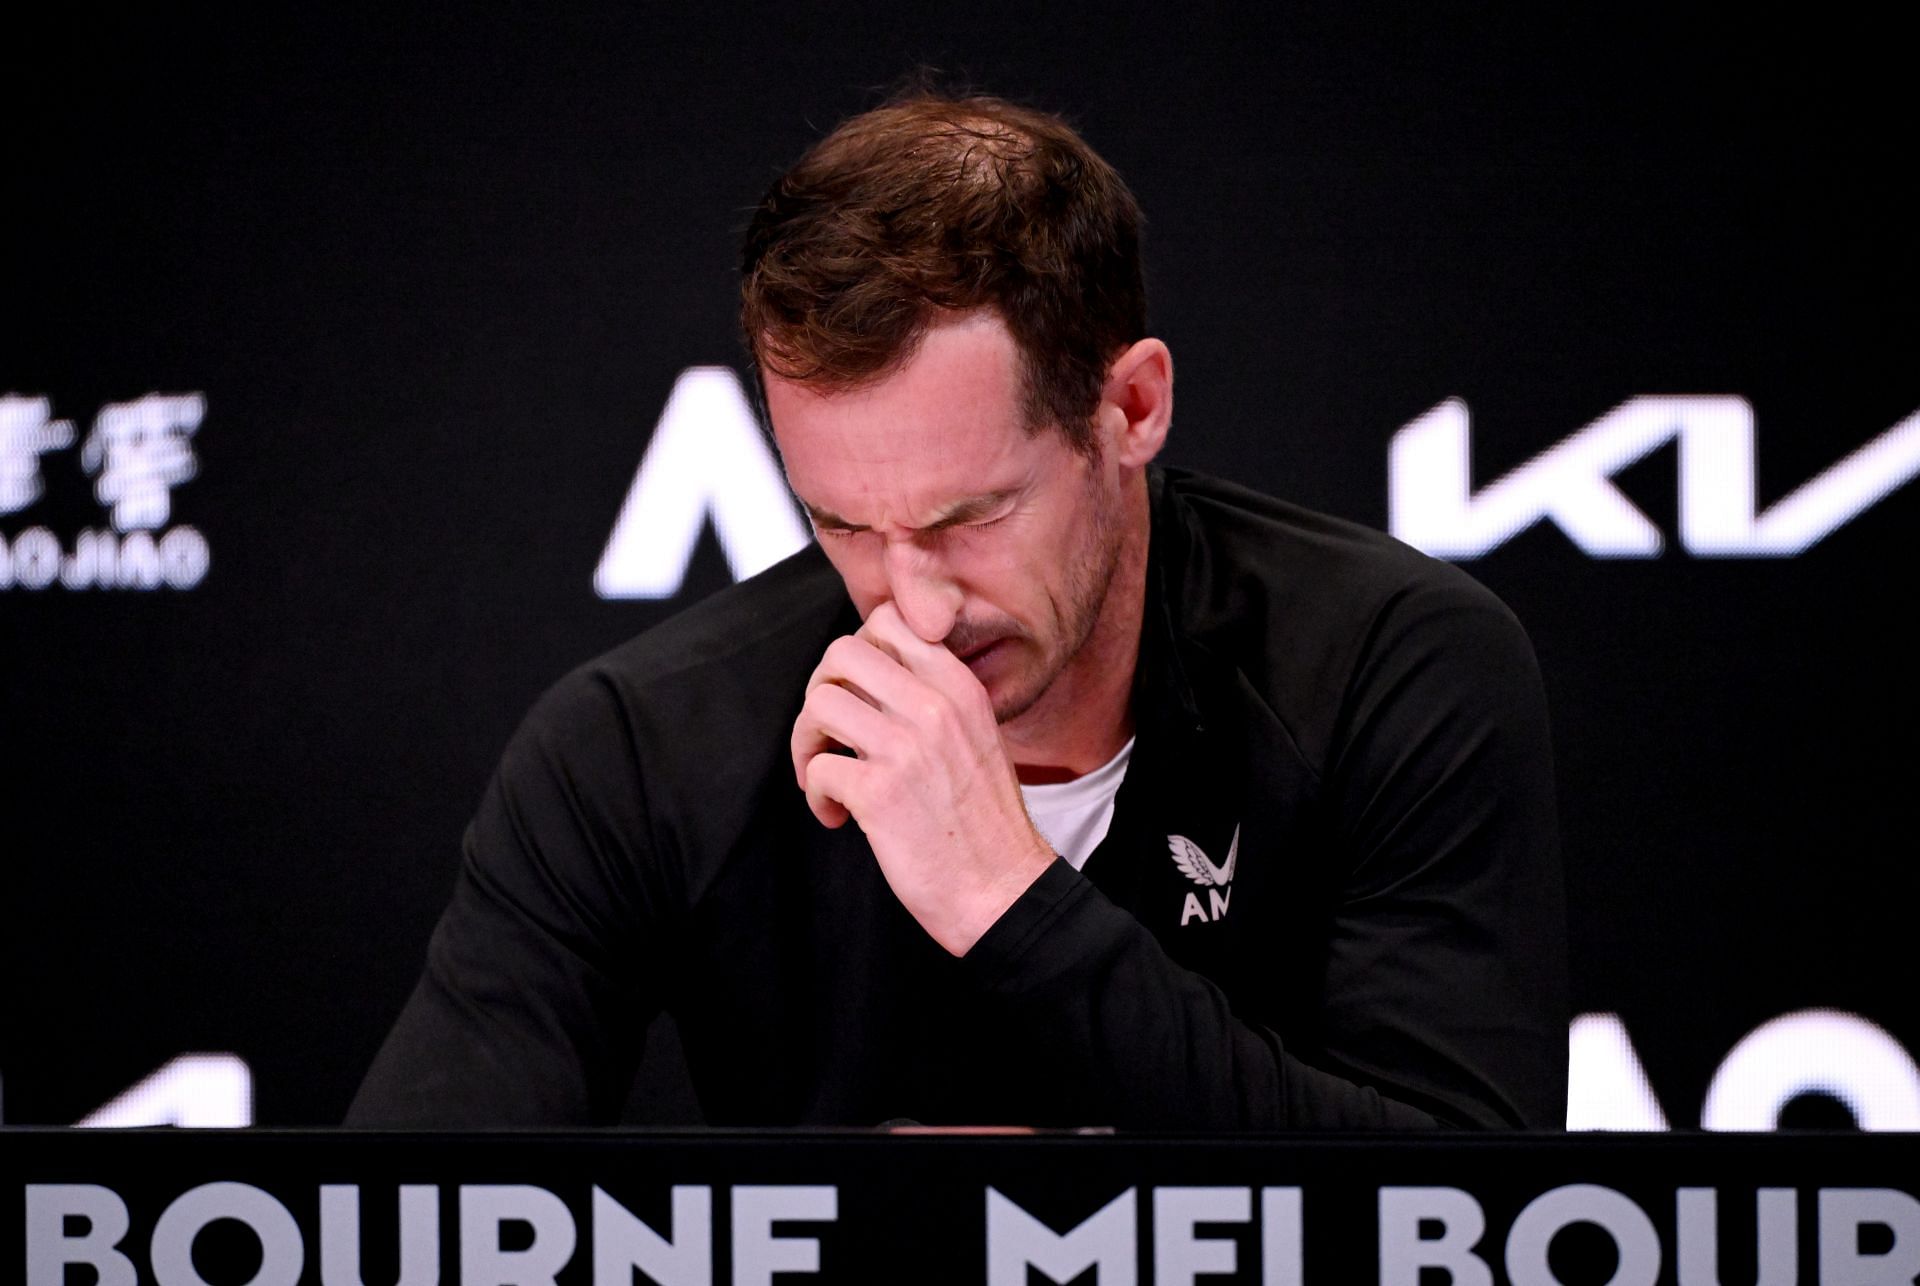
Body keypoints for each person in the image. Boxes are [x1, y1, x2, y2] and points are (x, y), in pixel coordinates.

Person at [349, 91, 1567, 1130]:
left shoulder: (1391, 669)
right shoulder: (641, 744)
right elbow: (407, 1219)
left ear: (1129, 410)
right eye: (843, 525)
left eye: (967, 516)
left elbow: (1458, 1219)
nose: (911, 606)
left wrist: (1002, 895)